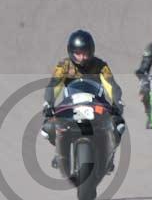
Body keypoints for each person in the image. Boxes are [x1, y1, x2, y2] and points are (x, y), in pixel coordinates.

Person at [42, 30, 125, 168]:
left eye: (85, 53)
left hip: (97, 104)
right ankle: (60, 152)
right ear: (71, 52)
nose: (82, 57)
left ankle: (110, 153)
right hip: (70, 105)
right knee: (48, 126)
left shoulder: (101, 66)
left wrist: (117, 102)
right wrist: (48, 103)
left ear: (91, 51)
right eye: (78, 53)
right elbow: (54, 85)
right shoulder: (64, 66)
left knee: (118, 124)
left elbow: (112, 86)